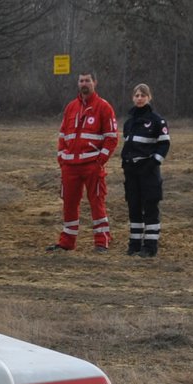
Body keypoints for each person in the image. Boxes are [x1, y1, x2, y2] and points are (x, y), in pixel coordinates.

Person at [47, 71, 118, 253]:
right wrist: (62, 157)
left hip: (91, 166)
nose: (84, 83)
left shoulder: (104, 107)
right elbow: (63, 135)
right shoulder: (71, 107)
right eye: (81, 81)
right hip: (70, 166)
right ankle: (66, 242)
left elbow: (111, 138)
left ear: (95, 82)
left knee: (97, 202)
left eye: (87, 80)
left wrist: (99, 161)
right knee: (69, 204)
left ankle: (102, 241)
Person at [119, 82, 169, 257]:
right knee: (133, 206)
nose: (139, 98)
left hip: (148, 171)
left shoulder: (157, 121)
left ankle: (150, 246)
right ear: (133, 98)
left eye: (143, 95)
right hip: (131, 171)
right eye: (137, 95)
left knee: (150, 208)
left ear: (149, 97)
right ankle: (134, 245)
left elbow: (164, 144)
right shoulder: (129, 122)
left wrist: (153, 163)